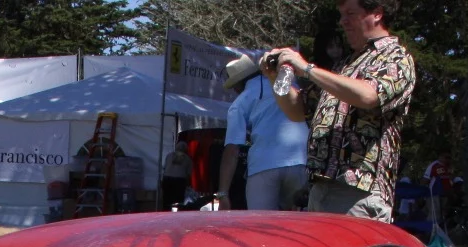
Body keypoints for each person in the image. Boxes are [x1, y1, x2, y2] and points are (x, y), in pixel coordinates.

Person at [267, 0, 416, 221]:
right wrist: (274, 76)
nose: (342, 21)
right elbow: (297, 110)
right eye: (341, 14)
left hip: (358, 193)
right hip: (321, 188)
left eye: (350, 13)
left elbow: (368, 95)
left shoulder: (396, 57)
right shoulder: (344, 66)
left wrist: (308, 69)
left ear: (377, 14)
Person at [215, 55, 309, 212]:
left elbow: (232, 150)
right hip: (300, 160)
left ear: (238, 85)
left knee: (262, 226)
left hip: (263, 165)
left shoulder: (240, 102)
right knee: (300, 226)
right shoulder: (288, 85)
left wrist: (223, 193)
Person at [161, 140, 193, 209]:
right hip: (180, 181)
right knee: (178, 200)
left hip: (167, 179)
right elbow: (188, 174)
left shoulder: (169, 155)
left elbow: (164, 167)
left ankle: (165, 213)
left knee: (166, 200)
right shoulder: (188, 159)